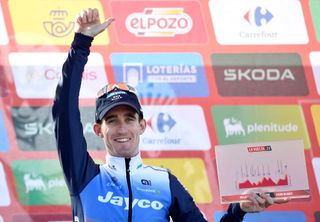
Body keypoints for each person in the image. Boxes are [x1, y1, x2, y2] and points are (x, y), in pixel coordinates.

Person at [52, 8, 289, 222]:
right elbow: (64, 112)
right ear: (98, 130)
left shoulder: (164, 182)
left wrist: (239, 210)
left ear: (142, 125)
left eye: (129, 119)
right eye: (112, 120)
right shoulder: (84, 176)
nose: (122, 128)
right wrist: (81, 42)